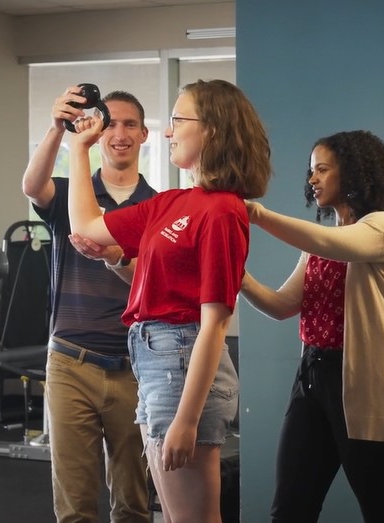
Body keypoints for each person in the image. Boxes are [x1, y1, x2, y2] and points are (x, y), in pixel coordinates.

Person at [65, 79, 271, 523]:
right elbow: (85, 223)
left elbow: (215, 322)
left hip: (183, 360)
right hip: (152, 359)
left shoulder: (222, 210)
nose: (168, 131)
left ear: (212, 130)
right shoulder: (173, 202)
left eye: (178, 120)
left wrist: (187, 420)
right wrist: (80, 149)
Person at [240, 130, 384, 523]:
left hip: (367, 385)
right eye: (311, 171)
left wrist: (256, 213)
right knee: (290, 509)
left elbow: (332, 244)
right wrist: (235, 275)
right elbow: (281, 305)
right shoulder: (323, 242)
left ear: (353, 174)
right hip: (312, 379)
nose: (312, 179)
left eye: (322, 169)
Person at [22, 86, 157, 523]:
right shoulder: (69, 193)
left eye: (129, 124)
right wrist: (58, 128)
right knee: (75, 505)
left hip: (135, 365)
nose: (119, 133)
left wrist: (120, 258)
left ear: (144, 135)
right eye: (110, 123)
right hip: (69, 363)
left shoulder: (158, 207)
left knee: (134, 503)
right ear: (97, 133)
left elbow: (155, 282)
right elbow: (31, 185)